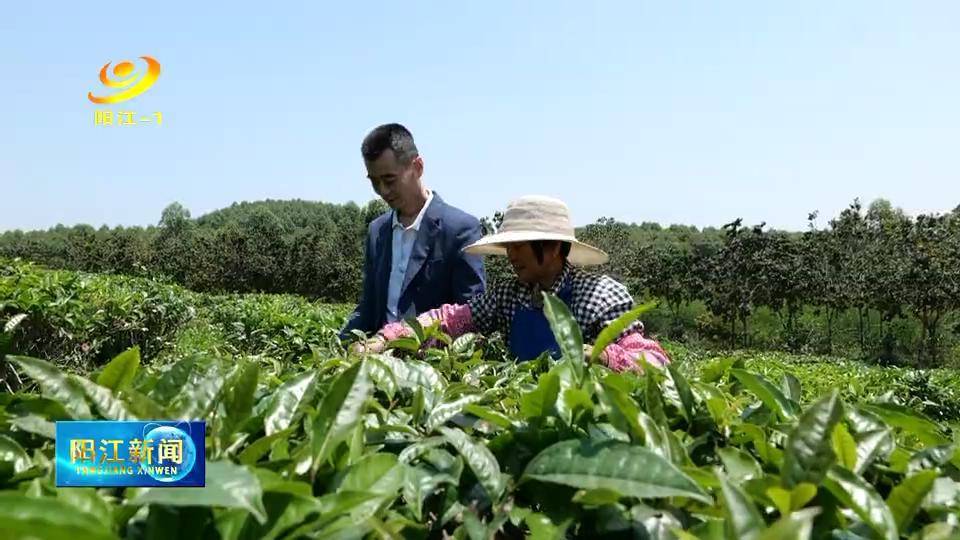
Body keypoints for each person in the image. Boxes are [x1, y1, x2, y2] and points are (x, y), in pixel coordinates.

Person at [356, 195, 669, 372]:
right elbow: (450, 321)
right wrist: (388, 339)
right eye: (509, 246)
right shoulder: (509, 294)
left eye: (520, 245)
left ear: (553, 247)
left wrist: (603, 356)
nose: (511, 255)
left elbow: (655, 363)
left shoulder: (601, 297)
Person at [339, 123, 486, 341]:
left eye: (389, 179)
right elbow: (369, 307)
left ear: (417, 167)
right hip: (379, 364)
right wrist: (340, 344)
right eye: (374, 182)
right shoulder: (377, 231)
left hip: (431, 368)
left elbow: (472, 314)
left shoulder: (460, 230)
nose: (382, 191)